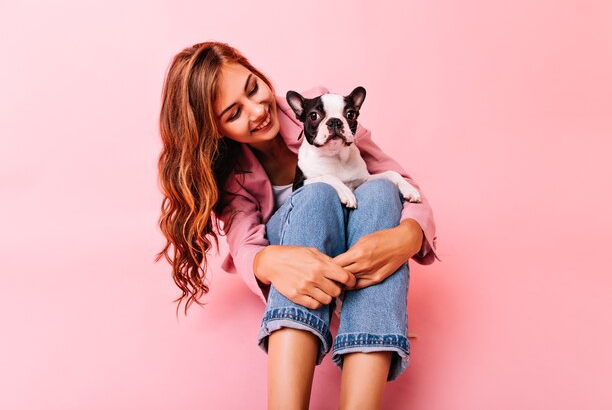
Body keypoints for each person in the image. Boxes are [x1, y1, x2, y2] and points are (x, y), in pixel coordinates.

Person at [156, 41, 440, 410]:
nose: (257, 110)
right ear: (216, 130)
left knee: (384, 191)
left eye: (253, 88)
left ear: (256, 72)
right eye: (233, 113)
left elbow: (400, 179)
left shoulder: (321, 107)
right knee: (317, 194)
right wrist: (268, 262)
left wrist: (406, 236)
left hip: (353, 253)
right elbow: (245, 242)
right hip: (297, 253)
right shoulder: (231, 173)